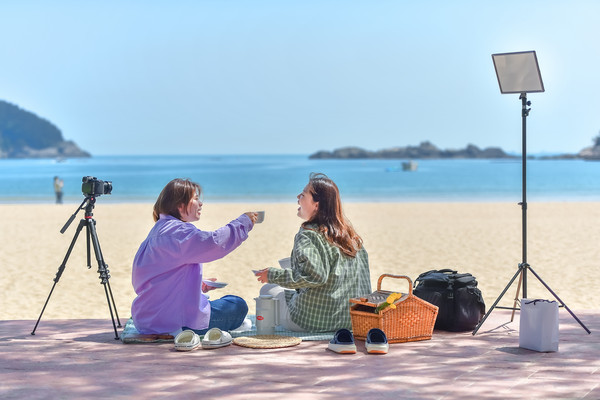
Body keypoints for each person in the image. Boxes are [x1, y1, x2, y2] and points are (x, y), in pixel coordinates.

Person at [131, 178, 258, 336]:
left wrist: (198, 284)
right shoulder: (178, 233)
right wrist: (243, 222)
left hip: (146, 320)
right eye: (196, 199)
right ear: (180, 204)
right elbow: (215, 243)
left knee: (222, 303)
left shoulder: (158, 231)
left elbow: (156, 278)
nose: (201, 203)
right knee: (237, 305)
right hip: (174, 323)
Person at [255, 172, 371, 332]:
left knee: (268, 290)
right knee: (287, 289)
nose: (298, 197)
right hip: (351, 321)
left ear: (316, 204)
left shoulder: (308, 234)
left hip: (313, 322)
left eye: (303, 194)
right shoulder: (352, 237)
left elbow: (315, 276)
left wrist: (272, 275)